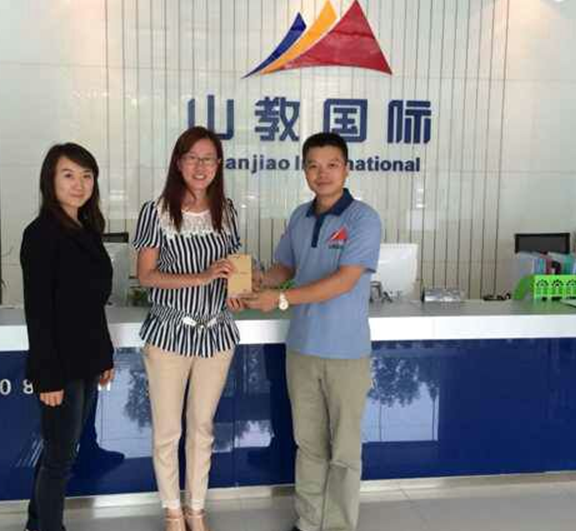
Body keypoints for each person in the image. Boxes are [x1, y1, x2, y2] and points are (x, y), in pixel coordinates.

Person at [244, 132, 381, 531]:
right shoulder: (299, 216)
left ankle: (337, 526)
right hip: (302, 348)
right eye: (313, 166)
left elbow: (344, 280)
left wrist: (281, 299)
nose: (322, 174)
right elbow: (284, 267)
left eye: (332, 165)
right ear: (304, 170)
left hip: (346, 352)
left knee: (344, 449)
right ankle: (308, 521)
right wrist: (257, 281)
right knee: (308, 444)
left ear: (347, 169)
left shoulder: (363, 219)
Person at [133, 126, 243, 531]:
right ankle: (172, 512)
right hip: (169, 335)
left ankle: (196, 508)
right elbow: (146, 275)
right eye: (192, 158)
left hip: (216, 334)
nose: (200, 167)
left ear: (218, 165)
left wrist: (237, 288)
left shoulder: (226, 211)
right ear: (178, 163)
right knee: (168, 430)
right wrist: (202, 277)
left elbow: (233, 265)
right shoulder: (156, 211)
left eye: (208, 159)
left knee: (202, 427)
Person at [21, 143, 115, 531]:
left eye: (86, 176)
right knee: (60, 458)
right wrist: (47, 376)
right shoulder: (41, 234)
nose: (79, 184)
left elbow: (93, 306)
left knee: (58, 453)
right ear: (51, 180)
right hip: (59, 367)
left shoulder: (88, 230)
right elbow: (38, 312)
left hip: (87, 361)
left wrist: (104, 356)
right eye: (69, 175)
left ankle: (36, 523)